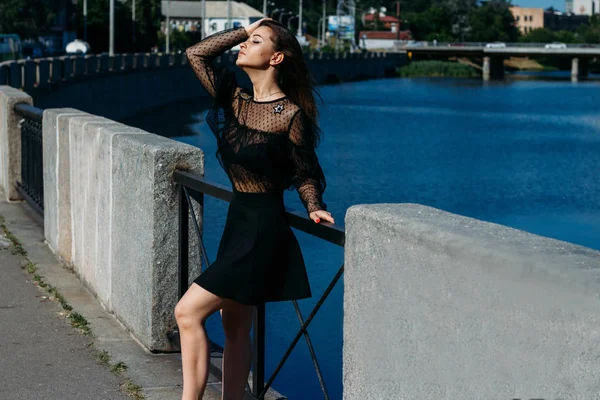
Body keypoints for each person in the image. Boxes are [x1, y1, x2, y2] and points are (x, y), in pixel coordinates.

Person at [175, 18, 334, 400]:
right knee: (234, 325)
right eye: (246, 41)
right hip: (238, 221)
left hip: (264, 229)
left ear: (276, 57)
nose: (244, 47)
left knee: (187, 312)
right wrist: (247, 31)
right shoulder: (234, 101)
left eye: (255, 42)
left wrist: (313, 205)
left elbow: (305, 170)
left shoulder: (290, 115)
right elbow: (195, 54)